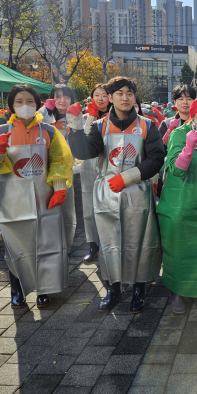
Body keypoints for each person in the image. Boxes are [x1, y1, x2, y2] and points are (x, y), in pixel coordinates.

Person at [67, 77, 164, 314]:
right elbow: (85, 152)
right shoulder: (100, 126)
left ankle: (139, 287)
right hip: (108, 194)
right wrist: (76, 128)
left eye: (129, 93)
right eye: (119, 93)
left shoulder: (146, 125)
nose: (125, 97)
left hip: (137, 192)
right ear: (110, 98)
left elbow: (156, 158)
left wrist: (129, 177)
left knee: (139, 241)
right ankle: (113, 287)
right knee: (110, 242)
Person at [0, 85, 73, 309]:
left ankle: (44, 289)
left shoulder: (48, 131)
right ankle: (16, 289)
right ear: (11, 106)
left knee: (46, 242)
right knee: (16, 246)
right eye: (19, 102)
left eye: (29, 101)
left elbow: (60, 160)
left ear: (37, 104)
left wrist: (59, 188)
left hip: (44, 197)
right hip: (14, 199)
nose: (24, 106)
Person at [157, 97, 197, 314]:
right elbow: (175, 169)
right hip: (178, 204)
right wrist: (189, 147)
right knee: (177, 249)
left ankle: (195, 290)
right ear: (193, 114)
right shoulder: (179, 134)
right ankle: (177, 292)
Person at [40, 84, 78, 246]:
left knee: (68, 211)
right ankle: (48, 247)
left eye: (67, 96)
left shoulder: (75, 116)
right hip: (43, 171)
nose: (62, 100)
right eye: (58, 96)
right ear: (51, 99)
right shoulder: (43, 116)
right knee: (45, 209)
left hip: (66, 171)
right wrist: (46, 112)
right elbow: (35, 128)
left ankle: (67, 247)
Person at [80, 83, 112, 264]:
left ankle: (110, 243)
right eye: (96, 95)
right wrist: (91, 117)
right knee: (89, 206)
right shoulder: (85, 116)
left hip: (109, 163)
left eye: (104, 95)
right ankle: (93, 245)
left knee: (110, 205)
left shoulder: (115, 116)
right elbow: (84, 139)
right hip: (89, 165)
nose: (100, 98)